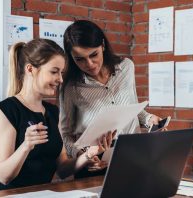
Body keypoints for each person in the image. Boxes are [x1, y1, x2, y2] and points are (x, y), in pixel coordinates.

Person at [0, 38, 112, 190]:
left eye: (61, 73)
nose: (60, 79)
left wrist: (88, 155)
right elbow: (3, 176)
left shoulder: (52, 111)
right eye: (54, 72)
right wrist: (26, 146)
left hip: (42, 194)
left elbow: (63, 169)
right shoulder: (7, 111)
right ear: (30, 69)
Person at [59, 20, 162, 178]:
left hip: (134, 157)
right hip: (95, 164)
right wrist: (83, 156)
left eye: (94, 54)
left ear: (103, 46)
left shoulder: (126, 67)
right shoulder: (70, 87)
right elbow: (65, 134)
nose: (90, 64)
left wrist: (149, 119)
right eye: (79, 59)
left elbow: (133, 107)